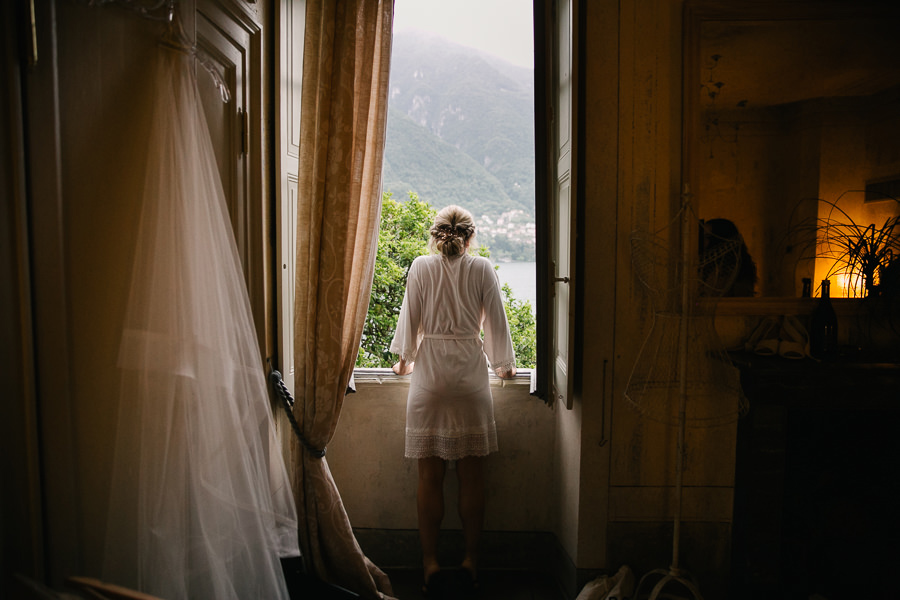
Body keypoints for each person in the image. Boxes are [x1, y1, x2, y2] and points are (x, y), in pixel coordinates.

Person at [390, 205, 517, 596]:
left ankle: (430, 564)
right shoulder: (482, 270)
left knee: (429, 478)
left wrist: (404, 361)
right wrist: (503, 366)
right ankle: (470, 561)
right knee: (471, 478)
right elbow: (496, 322)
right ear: (470, 236)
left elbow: (410, 321)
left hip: (430, 380)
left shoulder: (420, 267)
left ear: (435, 234)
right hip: (469, 379)